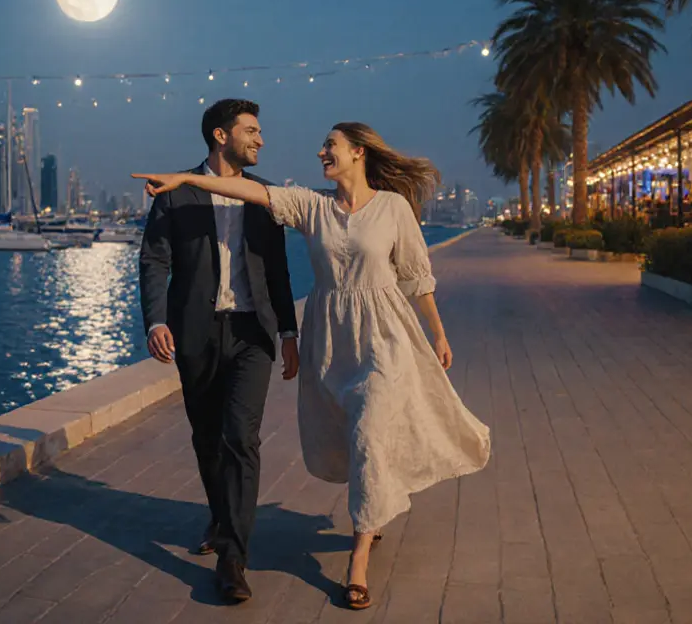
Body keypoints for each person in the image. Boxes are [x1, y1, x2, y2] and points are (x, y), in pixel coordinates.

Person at [134, 122, 491, 610]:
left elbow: (414, 274)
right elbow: (251, 191)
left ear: (358, 153)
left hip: (385, 336)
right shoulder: (313, 206)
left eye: (331, 146)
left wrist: (439, 332)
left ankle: (359, 562)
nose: (321, 152)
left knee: (368, 432)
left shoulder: (393, 208)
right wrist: (189, 180)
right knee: (357, 438)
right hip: (332, 340)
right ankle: (374, 509)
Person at [138, 99, 300, 603]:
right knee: (208, 436)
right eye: (252, 130)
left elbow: (277, 271)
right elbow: (153, 259)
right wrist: (157, 320)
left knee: (240, 438)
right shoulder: (175, 191)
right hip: (196, 333)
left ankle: (233, 557)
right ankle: (220, 513)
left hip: (253, 334)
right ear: (219, 135)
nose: (261, 139)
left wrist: (288, 333)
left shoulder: (265, 196)